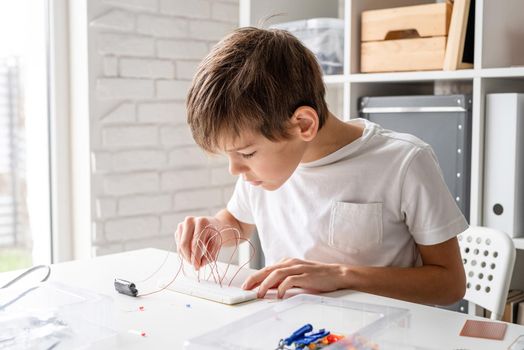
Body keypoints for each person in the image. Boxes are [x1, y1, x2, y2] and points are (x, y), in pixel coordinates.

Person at [175, 26, 467, 305]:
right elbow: (237, 222)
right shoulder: (263, 171)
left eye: (247, 153)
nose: (235, 170)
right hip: (293, 329)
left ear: (303, 124)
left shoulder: (405, 161)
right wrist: (214, 228)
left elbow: (449, 284)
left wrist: (341, 275)